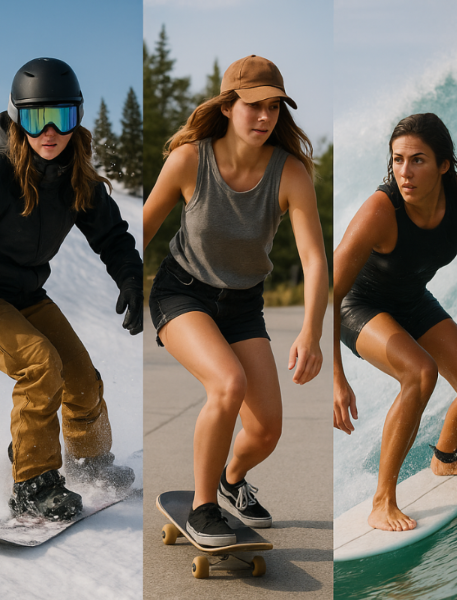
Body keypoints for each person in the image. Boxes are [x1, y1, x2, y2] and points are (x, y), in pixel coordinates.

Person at [0, 57, 142, 521]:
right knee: (39, 365)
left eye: (61, 117)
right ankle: (32, 481)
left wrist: (130, 277)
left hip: (27, 295)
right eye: (35, 118)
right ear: (16, 119)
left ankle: (89, 462)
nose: (49, 131)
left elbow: (112, 235)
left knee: (83, 381)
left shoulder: (76, 175)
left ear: (78, 118)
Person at [143, 55, 328, 546]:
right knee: (228, 383)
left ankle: (230, 481)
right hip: (182, 293)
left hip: (243, 305)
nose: (265, 117)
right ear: (228, 106)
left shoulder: (290, 174)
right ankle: (204, 509)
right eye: (253, 106)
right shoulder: (189, 159)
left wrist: (311, 331)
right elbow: (142, 229)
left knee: (266, 430)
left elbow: (313, 259)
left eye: (273, 107)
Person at [333, 113, 457, 532]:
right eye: (397, 160)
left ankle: (444, 460)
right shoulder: (380, 210)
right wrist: (335, 378)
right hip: (357, 305)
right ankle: (382, 501)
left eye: (418, 160)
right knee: (420, 371)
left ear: (444, 165)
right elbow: (329, 289)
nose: (404, 172)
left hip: (411, 300)